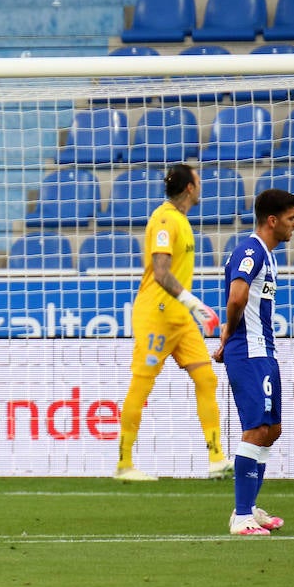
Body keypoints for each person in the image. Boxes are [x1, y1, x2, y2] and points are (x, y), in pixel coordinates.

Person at [115, 163, 231, 482]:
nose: (201, 184)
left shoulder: (181, 219)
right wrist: (196, 304)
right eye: (198, 180)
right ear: (190, 188)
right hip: (156, 315)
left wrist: (190, 310)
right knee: (142, 385)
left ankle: (216, 458)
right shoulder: (165, 219)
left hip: (180, 319)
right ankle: (124, 464)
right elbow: (162, 272)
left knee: (207, 379)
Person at [213, 188, 294, 536]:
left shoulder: (267, 254)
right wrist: (228, 335)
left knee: (272, 429)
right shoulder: (250, 251)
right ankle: (242, 515)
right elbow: (236, 296)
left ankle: (249, 508)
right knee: (256, 429)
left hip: (263, 350)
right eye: (291, 218)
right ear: (272, 220)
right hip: (248, 351)